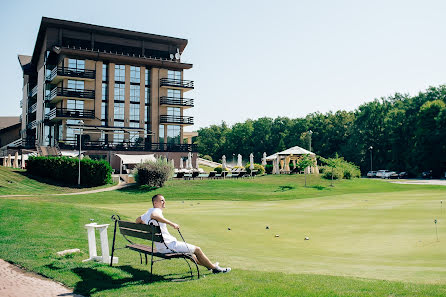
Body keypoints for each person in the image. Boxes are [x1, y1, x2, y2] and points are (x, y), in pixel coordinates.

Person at [136, 194, 231, 274]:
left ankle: (211, 266)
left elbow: (137, 220)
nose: (164, 202)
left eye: (164, 200)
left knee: (191, 255)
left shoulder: (148, 212)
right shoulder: (156, 211)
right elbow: (154, 216)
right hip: (169, 246)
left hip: (161, 247)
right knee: (197, 249)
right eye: (161, 201)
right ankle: (215, 269)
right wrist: (172, 223)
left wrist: (148, 226)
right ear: (155, 203)